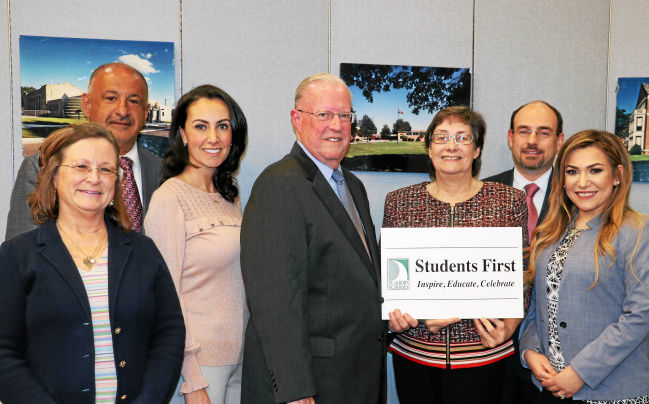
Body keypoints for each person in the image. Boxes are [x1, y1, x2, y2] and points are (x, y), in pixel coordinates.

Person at [0, 123, 185, 403]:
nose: (94, 178)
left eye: (106, 169)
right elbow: (3, 352)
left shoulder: (143, 251)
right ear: (53, 177)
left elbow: (169, 334)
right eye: (81, 167)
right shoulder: (17, 256)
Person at [240, 73, 386, 404]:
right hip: (311, 384)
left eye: (344, 116)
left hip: (353, 376)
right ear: (297, 119)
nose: (337, 125)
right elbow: (274, 300)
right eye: (324, 115)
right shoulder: (279, 184)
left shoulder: (353, 186)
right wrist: (294, 389)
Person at [386, 106, 529, 404]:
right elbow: (390, 277)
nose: (451, 146)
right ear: (429, 148)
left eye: (463, 138)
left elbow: (523, 274)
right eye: (442, 137)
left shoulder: (508, 200)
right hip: (415, 355)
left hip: (483, 354)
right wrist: (398, 316)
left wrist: (509, 326)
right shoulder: (400, 202)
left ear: (477, 150)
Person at [520, 130, 649, 403]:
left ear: (617, 175)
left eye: (595, 170)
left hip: (611, 391)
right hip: (550, 386)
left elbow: (641, 315)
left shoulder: (638, 231)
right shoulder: (549, 232)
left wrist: (580, 371)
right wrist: (530, 350)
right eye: (572, 171)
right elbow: (536, 304)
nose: (582, 182)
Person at [144, 85, 249, 404]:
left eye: (222, 126)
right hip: (201, 366)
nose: (213, 138)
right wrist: (192, 378)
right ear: (183, 135)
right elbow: (165, 295)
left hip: (241, 358)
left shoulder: (230, 197)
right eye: (201, 126)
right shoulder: (169, 199)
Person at [6, 62, 161, 239]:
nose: (122, 111)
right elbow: (20, 257)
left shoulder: (165, 171)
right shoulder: (40, 167)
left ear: (146, 112)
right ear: (87, 105)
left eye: (133, 101)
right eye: (111, 98)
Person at [483, 100, 565, 403]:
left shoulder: (580, 195)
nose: (532, 141)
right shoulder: (481, 193)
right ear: (510, 138)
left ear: (559, 141)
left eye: (543, 132)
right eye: (524, 131)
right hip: (486, 348)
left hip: (552, 358)